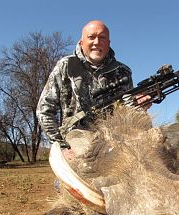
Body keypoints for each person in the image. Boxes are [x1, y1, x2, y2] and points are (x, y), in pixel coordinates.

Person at [37, 20, 150, 159]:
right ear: (81, 42)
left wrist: (140, 108)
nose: (97, 42)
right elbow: (44, 109)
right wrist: (62, 147)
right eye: (91, 37)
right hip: (75, 151)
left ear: (108, 43)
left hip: (112, 153)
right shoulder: (65, 66)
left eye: (102, 37)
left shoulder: (123, 71)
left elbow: (127, 114)